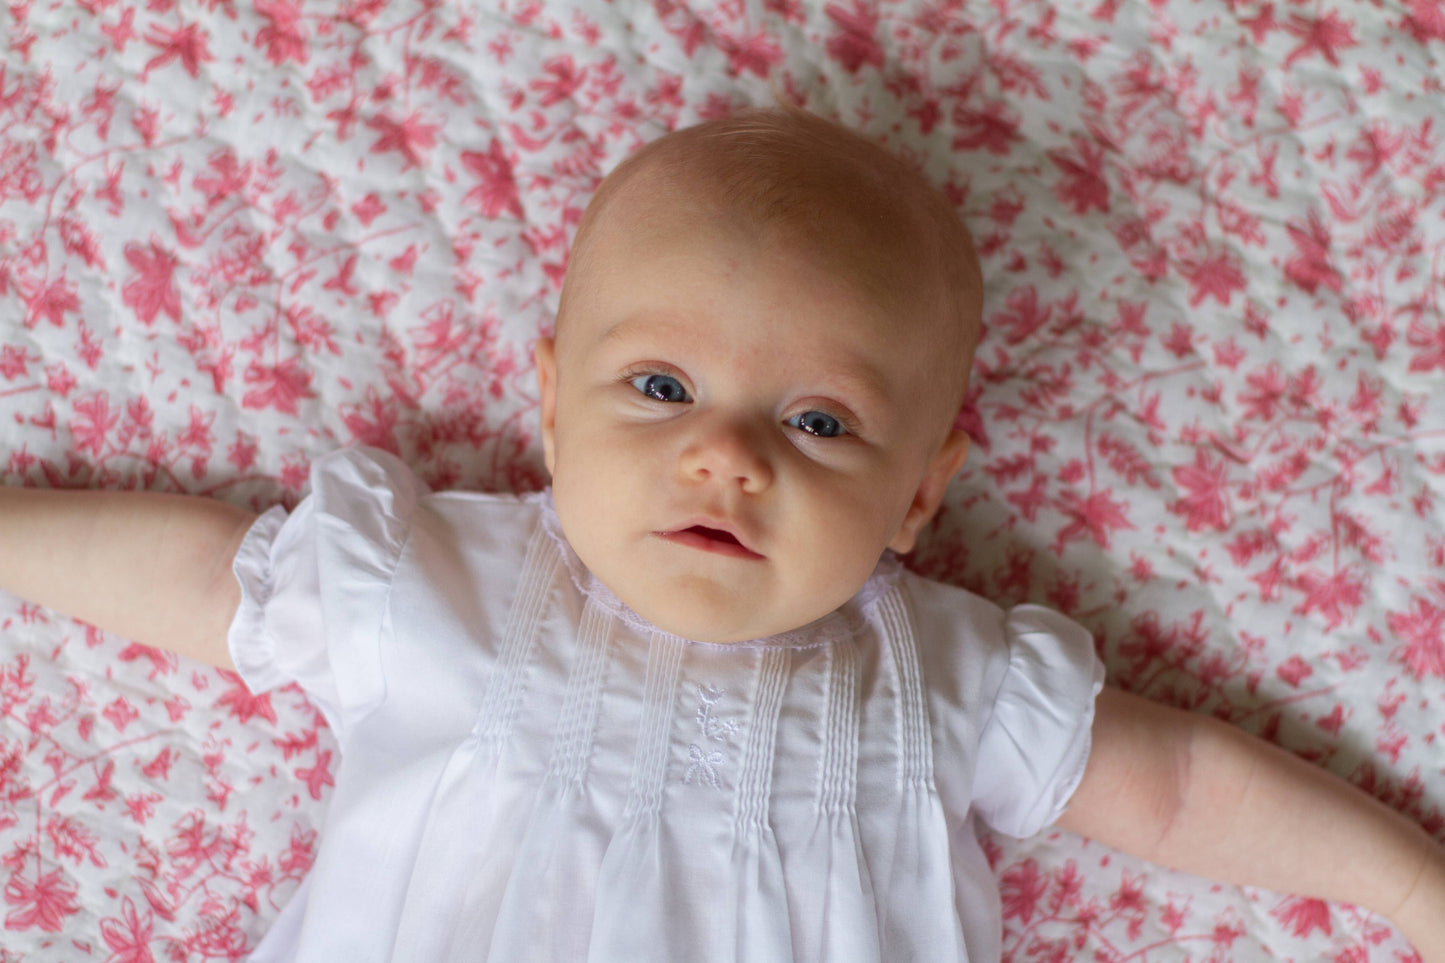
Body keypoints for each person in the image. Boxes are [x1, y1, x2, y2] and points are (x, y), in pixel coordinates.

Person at [1, 106, 1442, 963]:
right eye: (659, 387)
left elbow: (1178, 786)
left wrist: (1405, 886)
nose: (724, 455)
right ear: (550, 410)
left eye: (818, 423)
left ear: (918, 497)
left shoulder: (944, 681)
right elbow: (213, 575)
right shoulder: (442, 582)